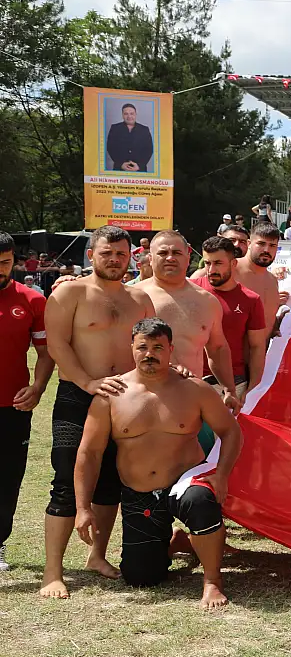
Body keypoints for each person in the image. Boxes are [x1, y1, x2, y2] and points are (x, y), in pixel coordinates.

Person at [73, 318, 242, 609]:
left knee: (199, 500)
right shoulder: (112, 395)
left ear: (171, 349)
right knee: (141, 577)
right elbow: (89, 453)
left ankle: (212, 580)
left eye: (158, 347)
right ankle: (177, 542)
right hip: (140, 492)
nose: (149, 354)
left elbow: (231, 432)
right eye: (143, 347)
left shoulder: (194, 389)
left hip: (186, 482)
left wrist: (222, 475)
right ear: (132, 348)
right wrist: (82, 507)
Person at [41, 226, 156, 598]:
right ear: (91, 254)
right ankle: (53, 572)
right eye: (107, 253)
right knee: (65, 479)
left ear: (130, 256)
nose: (115, 259)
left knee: (111, 480)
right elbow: (58, 344)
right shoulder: (69, 293)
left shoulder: (139, 298)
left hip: (122, 400)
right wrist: (87, 382)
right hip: (77, 395)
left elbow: (150, 347)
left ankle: (97, 555)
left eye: (121, 254)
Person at [138, 231, 239, 411]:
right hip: (142, 401)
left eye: (176, 253)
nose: (170, 258)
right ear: (150, 259)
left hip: (190, 401)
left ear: (188, 257)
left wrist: (229, 389)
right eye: (163, 253)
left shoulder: (207, 301)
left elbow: (217, 349)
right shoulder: (133, 297)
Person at [0, 232, 54, 571]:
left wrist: (38, 387)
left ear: (14, 262)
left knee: (7, 477)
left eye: (4, 263)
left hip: (13, 406)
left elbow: (46, 353)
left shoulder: (32, 300)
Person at [191, 237, 266, 402]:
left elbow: (257, 347)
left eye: (218, 263)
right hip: (192, 380)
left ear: (233, 264)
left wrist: (253, 388)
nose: (211, 269)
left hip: (235, 382)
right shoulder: (190, 290)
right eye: (207, 263)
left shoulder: (251, 299)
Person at [105, 103, 153, 172]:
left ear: (136, 114)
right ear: (122, 115)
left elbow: (149, 149)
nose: (129, 116)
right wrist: (120, 164)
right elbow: (110, 147)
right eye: (126, 114)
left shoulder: (144, 129)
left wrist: (139, 166)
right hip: (120, 169)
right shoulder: (115, 128)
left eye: (131, 113)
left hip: (139, 169)